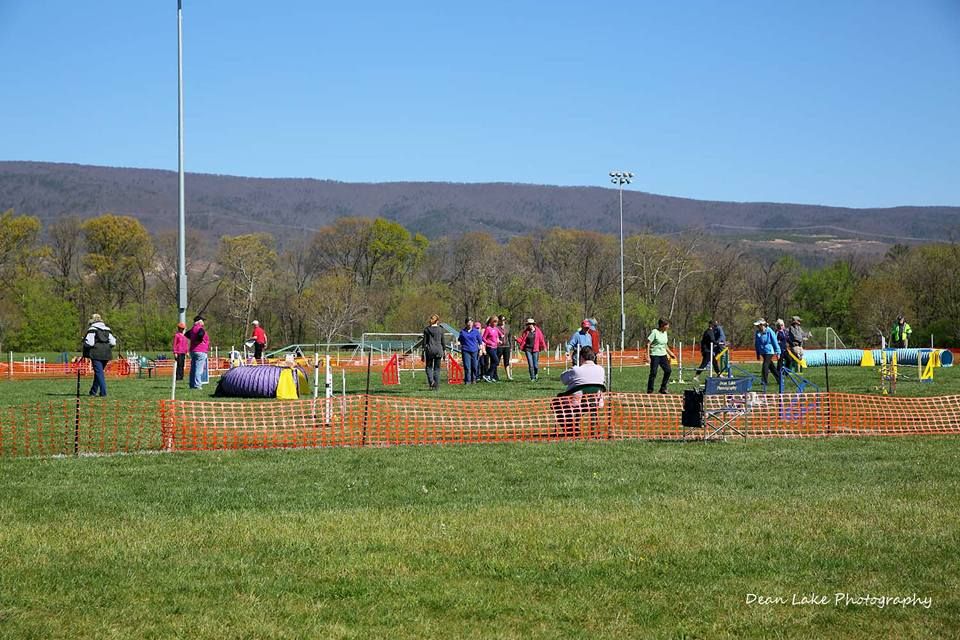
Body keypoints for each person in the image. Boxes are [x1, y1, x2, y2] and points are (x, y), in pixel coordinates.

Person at [554, 346, 606, 436]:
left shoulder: (576, 370)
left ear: (581, 357)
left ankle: (571, 429)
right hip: (594, 402)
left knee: (556, 402)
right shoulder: (601, 370)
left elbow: (563, 379)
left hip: (575, 402)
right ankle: (574, 426)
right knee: (582, 403)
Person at [82, 313, 117, 397]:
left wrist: (84, 341)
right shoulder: (107, 329)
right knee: (99, 373)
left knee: (99, 373)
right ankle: (93, 392)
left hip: (96, 354)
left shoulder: (92, 329)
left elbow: (90, 343)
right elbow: (113, 342)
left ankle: (103, 392)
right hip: (107, 353)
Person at [646, 318, 676, 394]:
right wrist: (648, 356)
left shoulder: (665, 333)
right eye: (667, 325)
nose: (668, 326)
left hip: (663, 355)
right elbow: (648, 344)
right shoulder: (654, 332)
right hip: (655, 355)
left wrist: (670, 353)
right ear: (662, 325)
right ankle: (650, 390)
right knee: (653, 372)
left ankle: (663, 388)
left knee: (668, 371)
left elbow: (665, 345)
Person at [753, 318, 781, 390]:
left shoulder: (769, 331)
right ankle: (780, 380)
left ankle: (764, 381)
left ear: (762, 325)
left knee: (765, 365)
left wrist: (778, 352)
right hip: (763, 352)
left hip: (769, 351)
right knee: (771, 367)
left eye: (758, 325)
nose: (757, 327)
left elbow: (775, 342)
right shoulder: (757, 333)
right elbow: (757, 344)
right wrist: (758, 353)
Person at [186, 314, 210, 389]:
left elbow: (186, 334)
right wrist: (198, 341)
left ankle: (192, 384)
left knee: (193, 368)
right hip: (200, 350)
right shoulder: (200, 329)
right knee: (199, 369)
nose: (203, 322)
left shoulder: (192, 329)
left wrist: (193, 340)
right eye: (203, 321)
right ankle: (197, 385)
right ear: (199, 321)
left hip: (193, 350)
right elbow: (200, 334)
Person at [422, 314, 445, 390]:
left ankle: (432, 382)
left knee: (428, 367)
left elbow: (424, 342)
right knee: (437, 369)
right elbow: (443, 342)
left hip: (430, 350)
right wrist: (444, 351)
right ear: (437, 321)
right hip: (439, 350)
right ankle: (436, 386)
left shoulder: (427, 330)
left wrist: (423, 352)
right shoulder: (441, 330)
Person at [458, 318, 481, 384]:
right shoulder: (462, 332)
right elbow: (460, 339)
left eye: (471, 322)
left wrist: (481, 349)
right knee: (467, 366)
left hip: (474, 350)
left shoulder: (476, 331)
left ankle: (474, 379)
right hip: (465, 350)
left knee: (474, 366)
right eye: (468, 322)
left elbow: (480, 341)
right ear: (466, 323)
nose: (470, 324)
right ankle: (467, 380)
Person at [481, 316, 502, 382]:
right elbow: (483, 338)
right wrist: (488, 342)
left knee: (493, 362)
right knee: (496, 361)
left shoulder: (496, 329)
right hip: (490, 348)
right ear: (491, 322)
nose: (496, 323)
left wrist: (499, 341)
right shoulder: (488, 329)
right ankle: (487, 374)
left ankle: (491, 376)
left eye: (497, 322)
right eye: (494, 322)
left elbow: (498, 336)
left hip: (495, 347)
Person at [497, 315, 514, 381]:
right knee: (497, 361)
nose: (502, 321)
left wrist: (511, 346)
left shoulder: (508, 327)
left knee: (506, 362)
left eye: (504, 320)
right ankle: (496, 375)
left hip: (507, 346)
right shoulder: (496, 328)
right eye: (501, 320)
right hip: (499, 346)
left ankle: (508, 376)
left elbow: (510, 337)